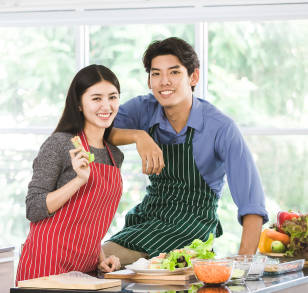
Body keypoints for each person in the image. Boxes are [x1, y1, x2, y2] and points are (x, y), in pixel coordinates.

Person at [102, 37, 268, 265]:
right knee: (95, 263)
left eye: (174, 72)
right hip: (148, 220)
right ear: (149, 81)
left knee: (102, 262)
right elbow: (98, 130)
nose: (164, 82)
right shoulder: (144, 108)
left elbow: (252, 204)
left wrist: (243, 265)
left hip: (191, 229)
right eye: (156, 73)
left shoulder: (220, 127)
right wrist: (137, 136)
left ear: (194, 77)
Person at [16, 64, 124, 282]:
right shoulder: (59, 144)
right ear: (79, 104)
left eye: (112, 97)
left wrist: (101, 258)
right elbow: (34, 208)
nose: (106, 105)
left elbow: (92, 219)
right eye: (96, 98)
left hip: (88, 267)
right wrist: (79, 180)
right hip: (48, 264)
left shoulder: (115, 155)